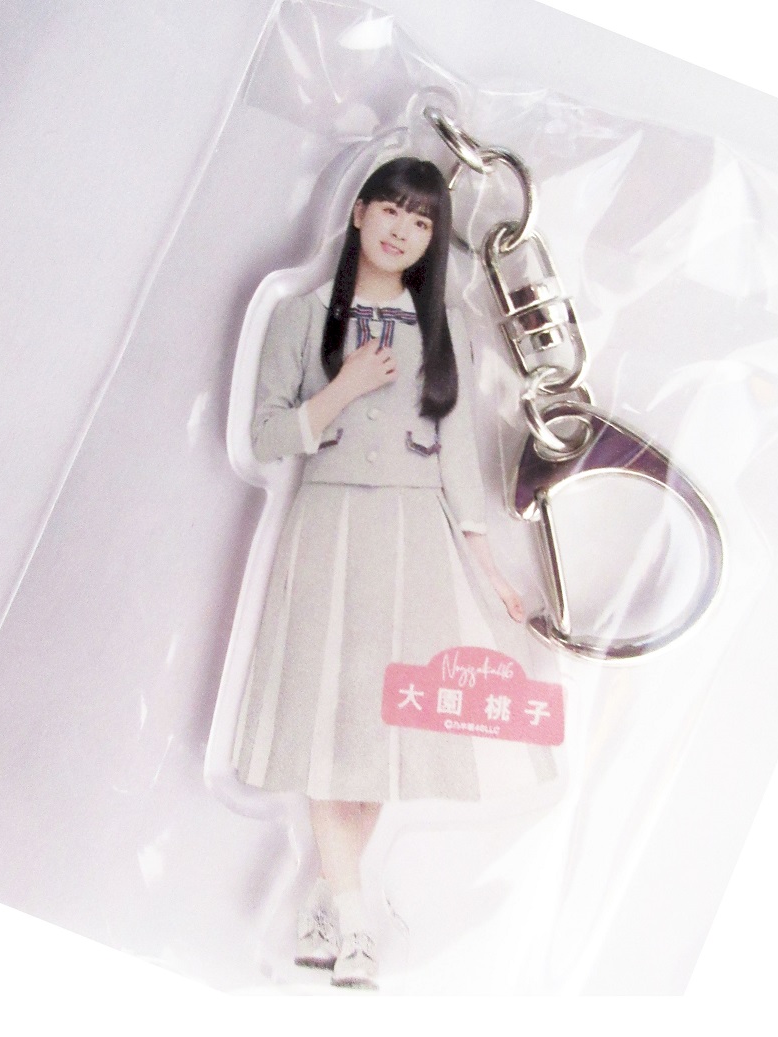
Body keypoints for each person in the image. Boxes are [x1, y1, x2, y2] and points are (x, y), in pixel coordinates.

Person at [232, 157, 553, 989]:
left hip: (412, 541)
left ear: (432, 237)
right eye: (391, 211)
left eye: (421, 220)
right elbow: (266, 435)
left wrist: (489, 571)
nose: (402, 230)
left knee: (376, 737)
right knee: (327, 723)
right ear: (359, 213)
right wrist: (341, 390)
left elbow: (459, 460)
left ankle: (327, 902)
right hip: (328, 528)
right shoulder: (303, 317)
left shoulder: (444, 325)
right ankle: (357, 926)